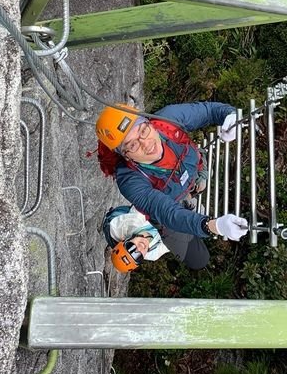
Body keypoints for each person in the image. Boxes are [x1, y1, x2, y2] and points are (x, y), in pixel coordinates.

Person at [96, 101, 249, 270]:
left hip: (193, 173)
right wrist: (212, 226)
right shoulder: (130, 179)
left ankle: (190, 201)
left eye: (143, 130)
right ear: (125, 155)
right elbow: (166, 211)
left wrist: (230, 116)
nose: (146, 143)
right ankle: (183, 212)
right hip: (169, 208)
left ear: (149, 123)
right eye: (132, 145)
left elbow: (210, 111)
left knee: (195, 206)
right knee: (199, 259)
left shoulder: (168, 120)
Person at [102, 204, 169, 274]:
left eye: (131, 247)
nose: (139, 248)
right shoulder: (154, 254)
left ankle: (110, 213)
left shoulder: (132, 222)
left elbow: (148, 203)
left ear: (125, 240)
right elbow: (174, 243)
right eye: (138, 257)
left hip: (114, 222)